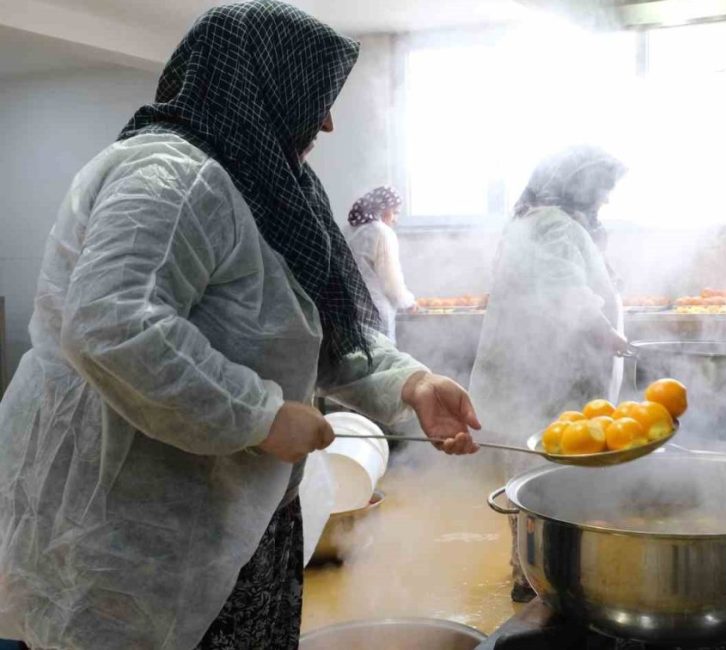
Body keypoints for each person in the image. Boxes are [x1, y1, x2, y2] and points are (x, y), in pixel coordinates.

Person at [0, 3, 480, 648]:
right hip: (133, 512)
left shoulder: (268, 183)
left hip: (237, 501)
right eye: (318, 96)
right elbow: (112, 323)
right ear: (260, 82)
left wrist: (409, 383)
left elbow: (308, 329)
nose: (329, 121)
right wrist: (259, 415)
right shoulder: (168, 174)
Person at [468, 146, 629, 602]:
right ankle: (542, 579)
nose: (606, 198)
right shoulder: (553, 225)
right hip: (546, 376)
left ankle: (536, 571)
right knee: (543, 476)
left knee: (534, 471)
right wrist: (611, 337)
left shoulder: (534, 221)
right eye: (603, 186)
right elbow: (567, 294)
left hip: (539, 377)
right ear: (575, 183)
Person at [343, 186, 417, 340]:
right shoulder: (382, 232)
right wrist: (408, 302)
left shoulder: (348, 230)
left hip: (346, 309)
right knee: (382, 359)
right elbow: (391, 279)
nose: (395, 219)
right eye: (395, 212)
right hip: (374, 309)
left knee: (356, 360)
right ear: (382, 208)